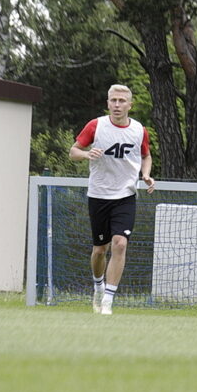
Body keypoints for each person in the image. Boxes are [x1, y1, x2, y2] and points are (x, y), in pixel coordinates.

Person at [69, 84, 154, 316]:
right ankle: (98, 287)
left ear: (130, 105)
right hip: (98, 195)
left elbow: (146, 156)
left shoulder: (138, 130)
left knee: (120, 243)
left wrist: (145, 175)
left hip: (125, 195)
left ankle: (108, 300)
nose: (117, 105)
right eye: (113, 100)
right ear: (107, 103)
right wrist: (87, 154)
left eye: (122, 101)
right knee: (99, 250)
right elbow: (73, 151)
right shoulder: (96, 126)